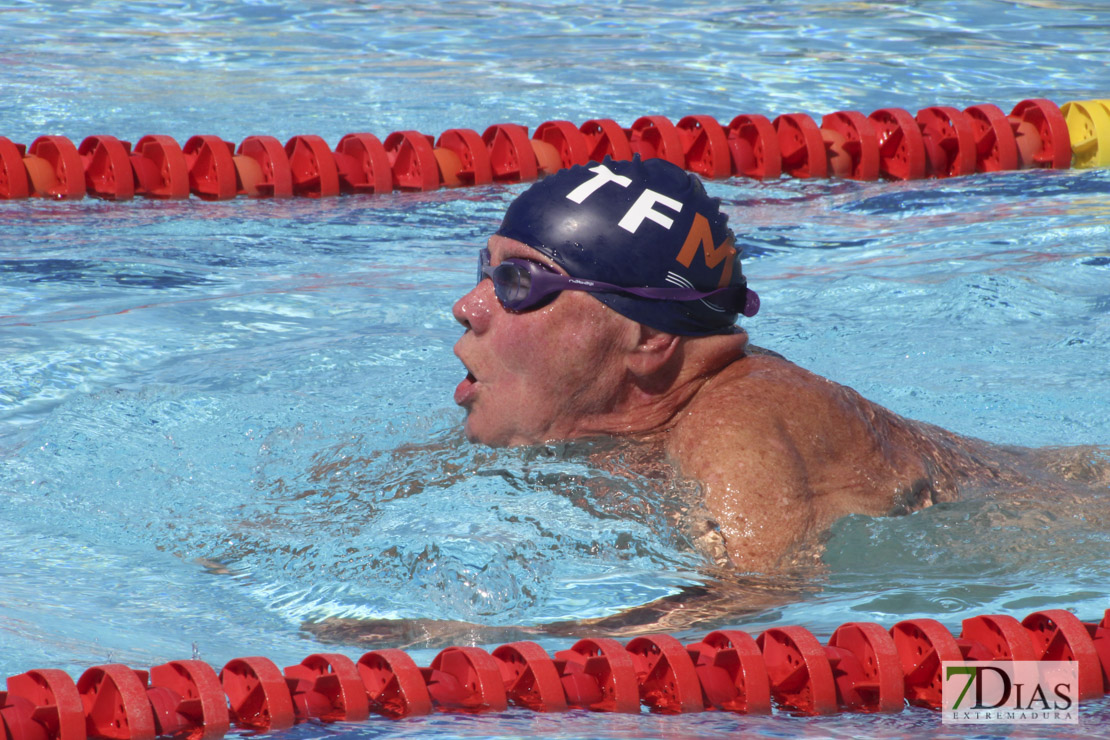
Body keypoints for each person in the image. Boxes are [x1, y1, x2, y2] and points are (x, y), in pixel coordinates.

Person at [451, 155, 1013, 573]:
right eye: (486, 269)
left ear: (647, 339)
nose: (466, 308)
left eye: (518, 281)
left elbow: (753, 605)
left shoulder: (737, 422)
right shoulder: (620, 425)